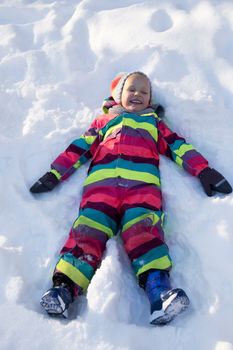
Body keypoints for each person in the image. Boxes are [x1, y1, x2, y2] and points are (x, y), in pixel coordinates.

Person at [30, 72, 232, 325]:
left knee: (145, 233)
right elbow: (78, 149)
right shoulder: (104, 121)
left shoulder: (154, 124)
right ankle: (63, 290)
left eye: (144, 92)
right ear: (118, 96)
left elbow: (179, 147)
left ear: (150, 100)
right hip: (101, 191)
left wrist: (204, 170)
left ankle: (159, 294)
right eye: (132, 90)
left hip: (141, 191)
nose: (137, 94)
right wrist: (54, 174)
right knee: (87, 232)